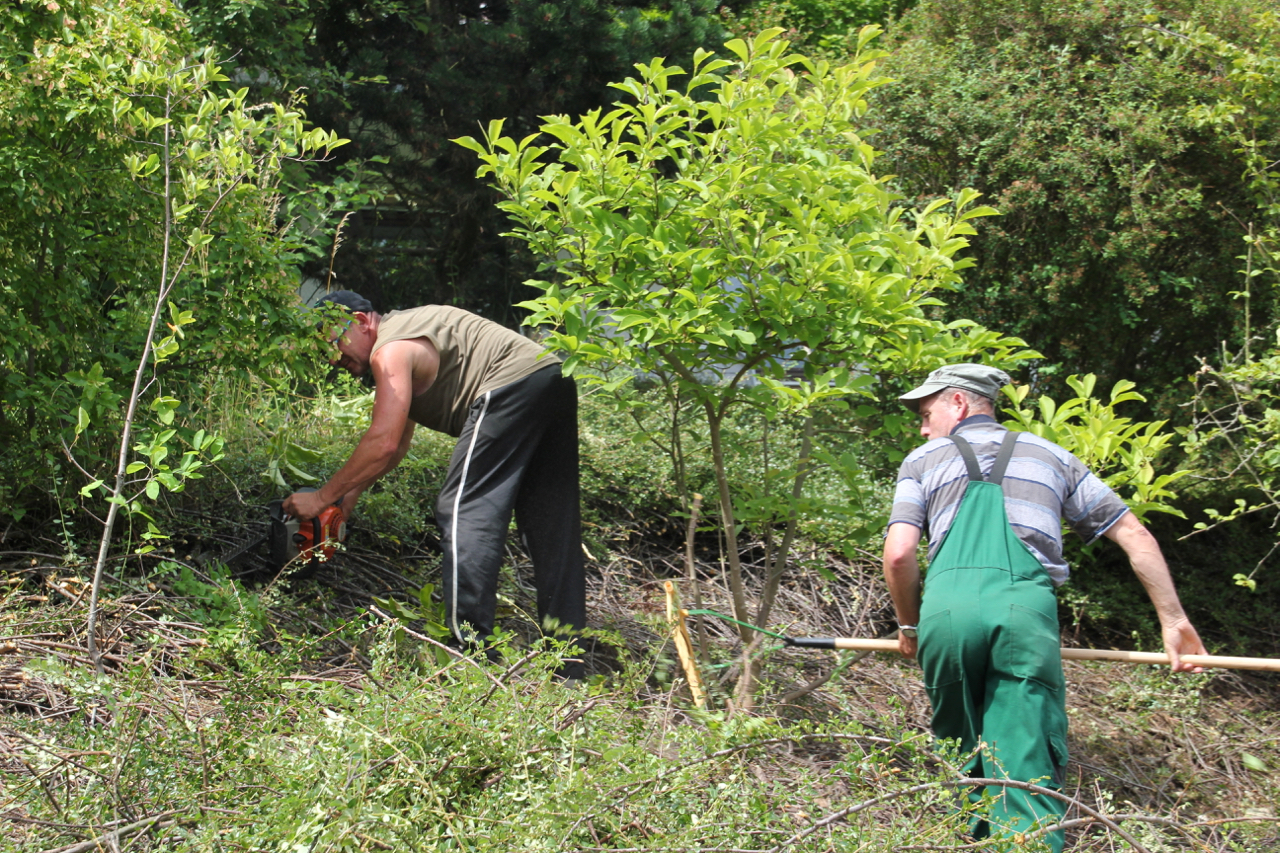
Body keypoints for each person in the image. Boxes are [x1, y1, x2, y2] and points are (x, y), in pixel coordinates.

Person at [882, 363, 1206, 851]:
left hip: (945, 616)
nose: (924, 429)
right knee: (1025, 765)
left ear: (959, 403)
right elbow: (1135, 535)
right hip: (1023, 615)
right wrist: (1174, 619)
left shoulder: (922, 461)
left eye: (927, 415)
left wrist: (910, 626)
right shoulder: (1053, 457)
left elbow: (899, 554)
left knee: (961, 761)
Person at [283, 291, 585, 677]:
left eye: (332, 342)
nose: (332, 358)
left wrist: (319, 498)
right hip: (553, 377)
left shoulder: (389, 350)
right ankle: (568, 664)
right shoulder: (406, 332)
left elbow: (382, 442)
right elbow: (395, 447)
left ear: (360, 321)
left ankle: (471, 654)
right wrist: (344, 500)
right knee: (552, 524)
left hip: (510, 384)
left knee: (463, 511)